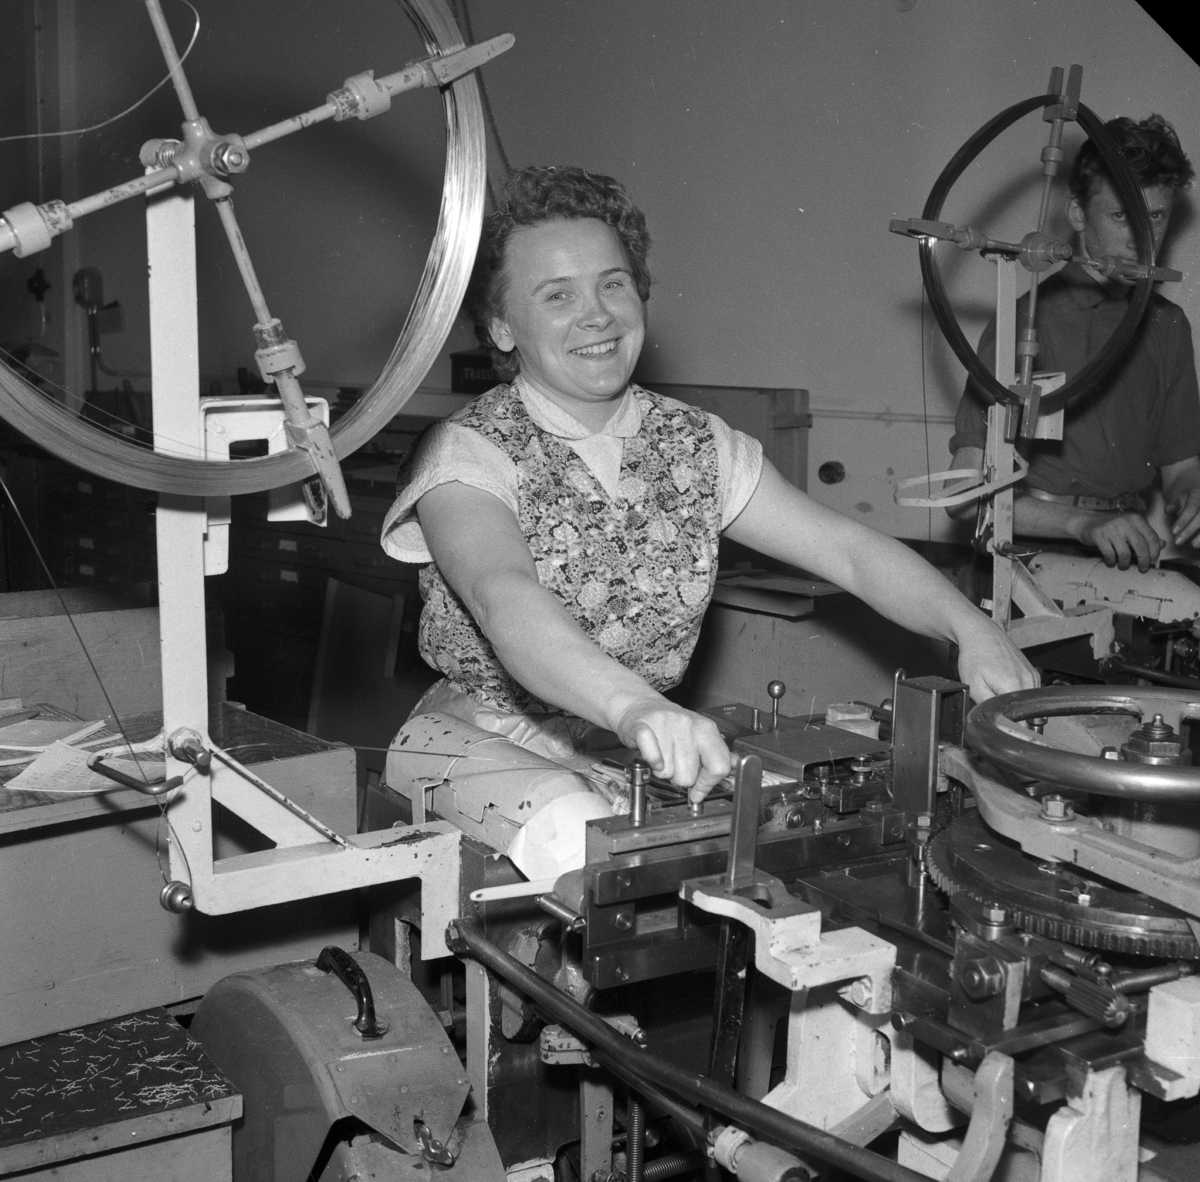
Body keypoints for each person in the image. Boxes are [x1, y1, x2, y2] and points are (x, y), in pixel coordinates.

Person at [380, 165, 1034, 861]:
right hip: (473, 743)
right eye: (557, 295)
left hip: (630, 751)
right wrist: (635, 705)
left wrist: (971, 629)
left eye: (613, 283)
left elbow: (848, 552)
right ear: (502, 327)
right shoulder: (467, 451)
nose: (597, 314)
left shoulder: (694, 444)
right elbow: (502, 596)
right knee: (577, 842)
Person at [949, 115, 1200, 573]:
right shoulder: (1026, 323)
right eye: (1121, 216)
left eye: (1155, 216)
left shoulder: (1167, 325)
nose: (1142, 238)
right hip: (1028, 555)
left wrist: (1192, 495)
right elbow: (964, 498)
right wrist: (1082, 524)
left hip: (1128, 553)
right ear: (1078, 214)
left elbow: (1181, 469)